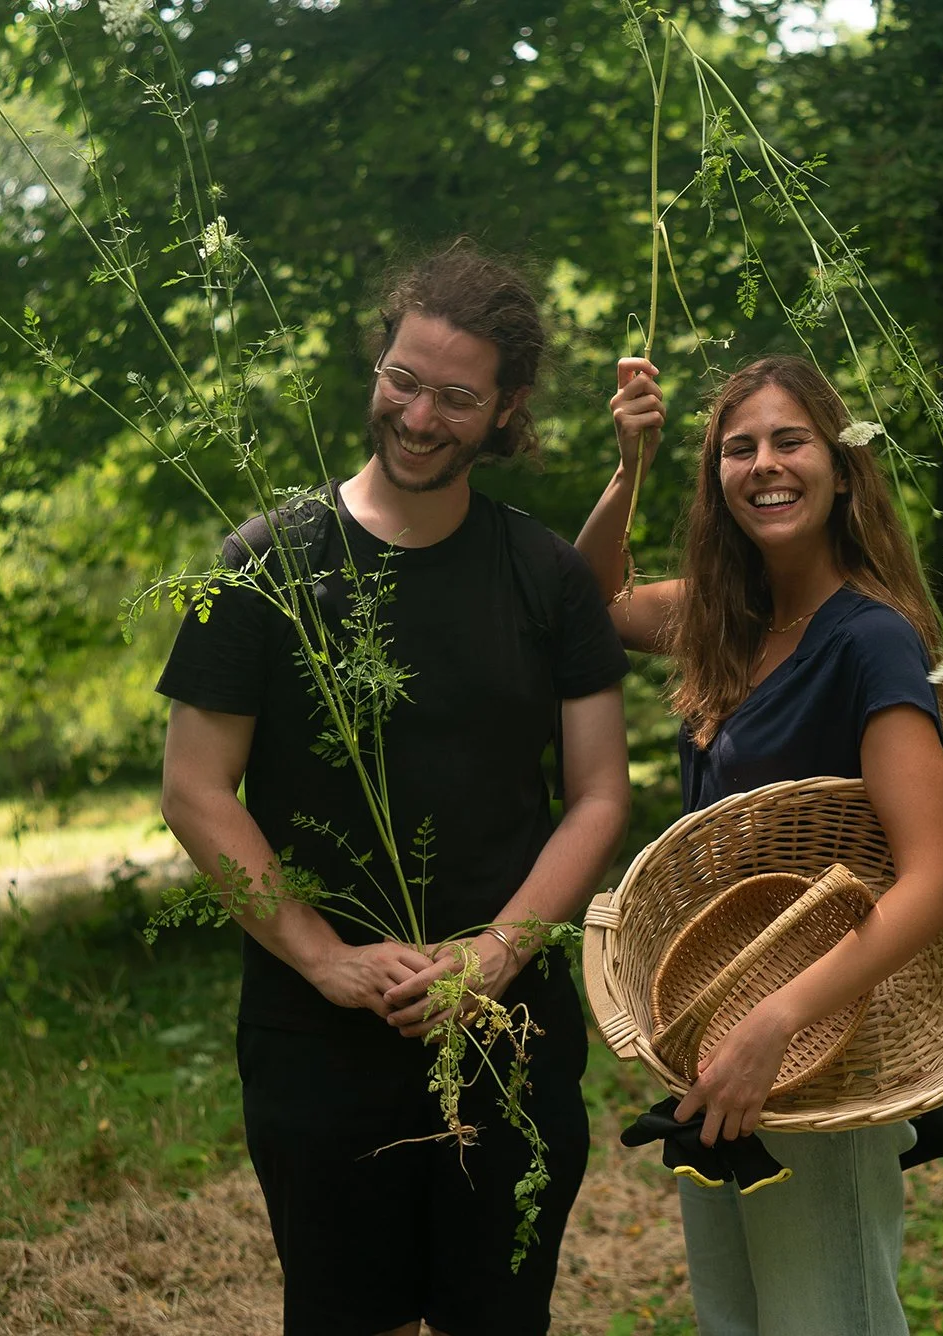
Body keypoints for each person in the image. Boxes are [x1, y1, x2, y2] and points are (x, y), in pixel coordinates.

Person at [157, 244, 632, 1336]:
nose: (419, 417)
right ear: (376, 362)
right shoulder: (262, 564)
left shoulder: (546, 575)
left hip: (509, 1032)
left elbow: (598, 794)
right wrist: (323, 956)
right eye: (403, 381)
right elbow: (194, 789)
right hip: (317, 1038)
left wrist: (495, 954)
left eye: (457, 398)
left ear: (506, 411)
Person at [575, 353, 943, 1336]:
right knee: (738, 1320)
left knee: (823, 1319)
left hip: (819, 1039)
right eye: (738, 447)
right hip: (718, 1036)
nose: (764, 464)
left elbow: (930, 880)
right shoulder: (723, 623)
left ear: (838, 465)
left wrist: (775, 1023)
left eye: (788, 440)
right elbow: (581, 604)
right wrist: (630, 465)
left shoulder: (868, 638)